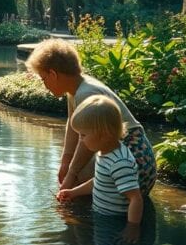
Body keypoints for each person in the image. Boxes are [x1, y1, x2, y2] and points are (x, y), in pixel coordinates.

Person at [26, 38, 156, 195]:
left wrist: (71, 174)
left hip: (136, 164)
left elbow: (85, 142)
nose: (44, 85)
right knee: (76, 170)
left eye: (43, 78)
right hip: (129, 158)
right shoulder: (75, 89)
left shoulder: (86, 93)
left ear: (53, 74)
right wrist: (65, 162)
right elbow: (73, 125)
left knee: (79, 174)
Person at [57, 95, 145, 243]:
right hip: (102, 215)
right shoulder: (104, 152)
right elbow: (99, 180)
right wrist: (73, 192)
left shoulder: (120, 162)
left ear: (104, 135)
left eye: (83, 135)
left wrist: (132, 227)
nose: (81, 139)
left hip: (115, 222)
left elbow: (135, 198)